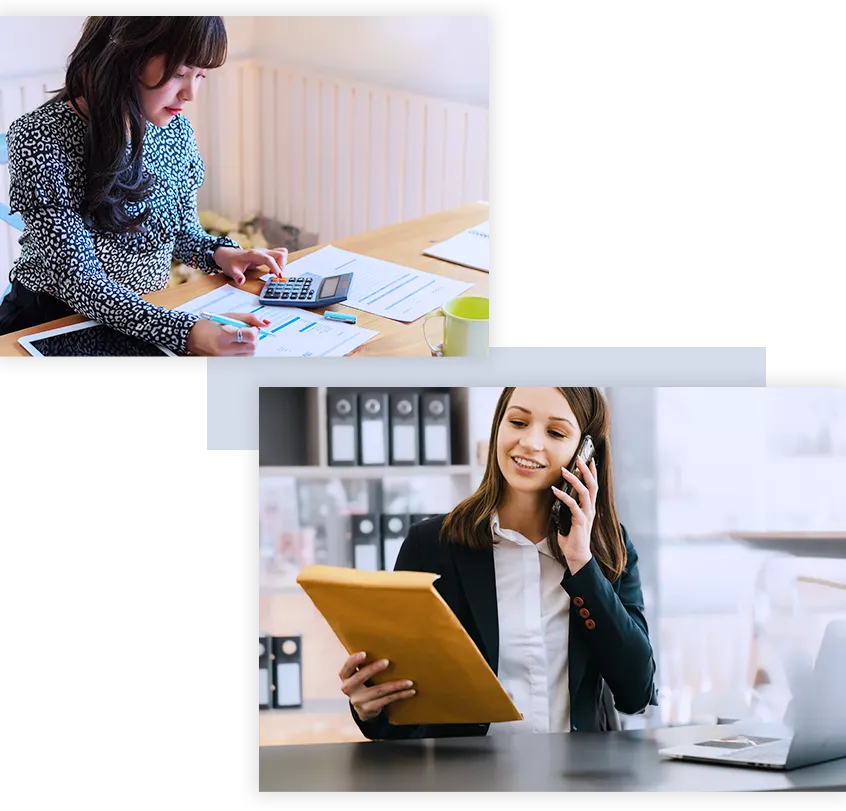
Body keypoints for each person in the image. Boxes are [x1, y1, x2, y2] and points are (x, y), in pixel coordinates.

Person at [339, 386, 658, 739]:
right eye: (518, 422)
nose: (530, 443)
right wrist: (368, 708)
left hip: (579, 777)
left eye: (555, 432)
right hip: (469, 779)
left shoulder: (607, 547)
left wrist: (582, 565)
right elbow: (395, 718)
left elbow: (636, 694)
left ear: (586, 453)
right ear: (498, 428)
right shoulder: (432, 545)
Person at [0, 16, 287, 356]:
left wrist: (221, 254)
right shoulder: (43, 136)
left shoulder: (173, 129)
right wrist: (187, 333)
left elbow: (177, 231)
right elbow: (79, 281)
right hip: (50, 324)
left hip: (142, 319)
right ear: (126, 56)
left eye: (200, 75)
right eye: (179, 73)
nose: (190, 93)